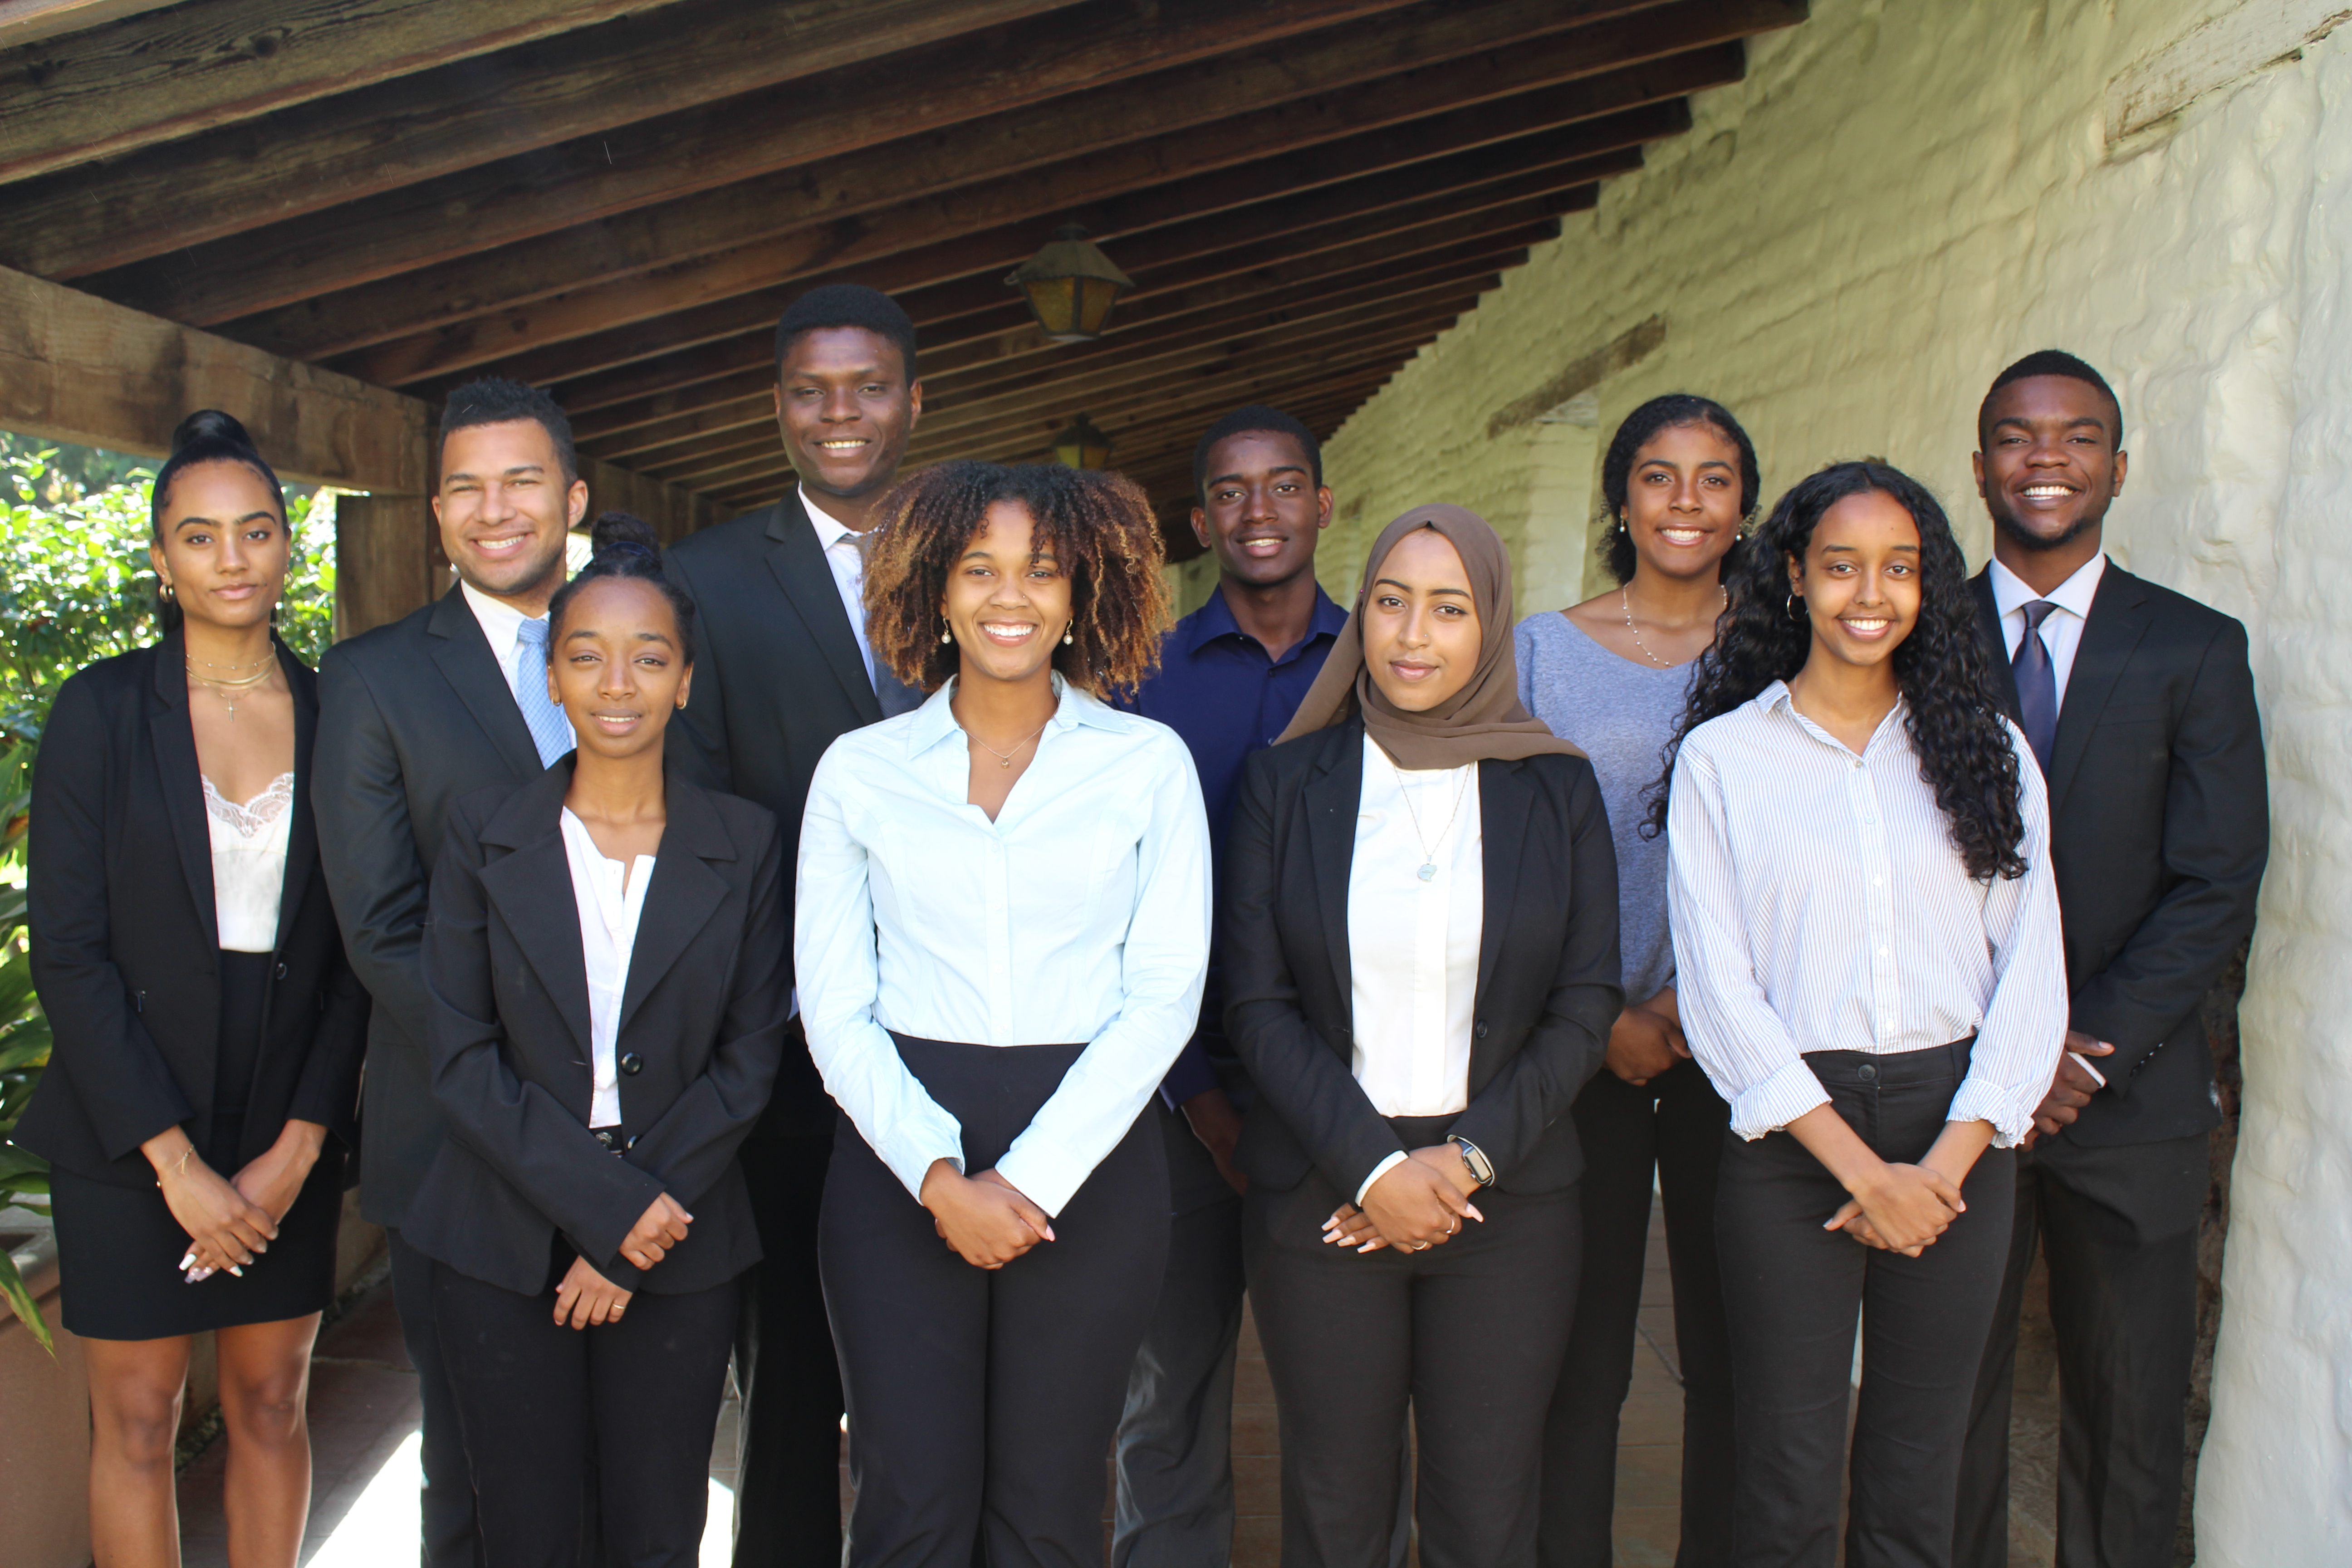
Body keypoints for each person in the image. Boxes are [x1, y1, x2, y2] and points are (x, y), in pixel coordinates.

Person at [795, 460, 1210, 1567]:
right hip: (895, 1158)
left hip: (1091, 1156)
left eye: (1041, 571)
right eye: (979, 569)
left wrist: (1023, 1182)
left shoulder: (1146, 766)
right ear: (937, 590)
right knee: (908, 1505)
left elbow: (1165, 996)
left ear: (1081, 596)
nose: (1009, 596)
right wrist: (940, 1177)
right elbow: (835, 1009)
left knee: (1050, 1506)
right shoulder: (860, 772)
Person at [1657, 461, 2067, 1568]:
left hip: (1957, 1139)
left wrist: (1948, 1159)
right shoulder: (1725, 760)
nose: (1869, 594)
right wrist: (1861, 1170)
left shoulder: (1986, 752)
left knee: (1917, 1463)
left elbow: (2032, 972)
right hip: (1795, 1138)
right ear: (1794, 576)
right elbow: (1719, 990)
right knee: (1784, 1467)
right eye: (1841, 567)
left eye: (1899, 568)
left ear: (1929, 586)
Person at [1225, 503, 1621, 1568]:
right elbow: (1255, 1005)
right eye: (1391, 603)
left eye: (1449, 609)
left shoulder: (1557, 788)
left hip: (1511, 1196)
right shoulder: (1284, 783)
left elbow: (1586, 1005)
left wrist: (1463, 1161)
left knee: (1486, 1514)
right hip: (1325, 1191)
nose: (1412, 635)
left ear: (1489, 624)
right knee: (1336, 1506)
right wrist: (1374, 1168)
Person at [406, 512, 788, 1568]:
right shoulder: (484, 834)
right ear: (553, 680)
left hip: (686, 1231)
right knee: (524, 1534)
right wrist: (610, 1211)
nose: (617, 682)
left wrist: (635, 1231)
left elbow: (750, 1056)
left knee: (659, 1531)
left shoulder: (746, 842)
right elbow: (461, 1058)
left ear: (685, 682)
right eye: (587, 656)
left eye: (647, 657)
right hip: (499, 1233)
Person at [21, 411, 369, 1568]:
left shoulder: (342, 716)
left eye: (257, 531)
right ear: (162, 559)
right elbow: (65, 949)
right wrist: (173, 1165)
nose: (232, 558)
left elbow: (362, 952)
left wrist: (300, 1148)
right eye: (201, 535)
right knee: (137, 1420)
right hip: (130, 1123)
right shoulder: (100, 711)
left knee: (272, 1404)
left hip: (285, 1116)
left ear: (288, 546)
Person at [1951, 353, 2268, 1568]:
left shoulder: (2194, 649)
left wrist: (2082, 1051)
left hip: (2121, 1098)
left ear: (2118, 468)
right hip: (1953, 1088)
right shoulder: (1917, 639)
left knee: (2129, 1421)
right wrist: (1994, 1050)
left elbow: (2216, 877)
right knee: (1946, 1408)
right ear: (1979, 468)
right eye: (2018, 440)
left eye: (2077, 438)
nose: (2046, 460)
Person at [661, 284, 926, 1564]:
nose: (842, 414)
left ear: (913, 399)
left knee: (933, 1380)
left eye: (867, 385)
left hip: (960, 1039)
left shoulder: (980, 562)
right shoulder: (707, 581)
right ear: (777, 408)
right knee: (787, 1385)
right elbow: (704, 826)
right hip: (787, 1058)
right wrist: (785, 1015)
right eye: (813, 391)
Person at [314, 377, 590, 1568]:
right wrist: (534, 1099)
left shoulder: (648, 645)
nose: (496, 509)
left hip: (646, 1138)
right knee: (474, 1472)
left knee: (629, 1454)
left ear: (574, 497)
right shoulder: (374, 680)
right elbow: (381, 925)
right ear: (434, 511)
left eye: (522, 479)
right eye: (467, 486)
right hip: (459, 1138)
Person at [1110, 404, 1350, 1567]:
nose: (1261, 511)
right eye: (1234, 492)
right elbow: (1117, 899)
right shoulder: (1141, 680)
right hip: (1168, 1089)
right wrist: (1198, 1096)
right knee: (1169, 1383)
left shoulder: (1385, 664)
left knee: (1345, 1400)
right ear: (1200, 519)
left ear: (1323, 502)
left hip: (1345, 1094)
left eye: (1285, 485)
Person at [1518, 394, 1754, 1568]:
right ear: (1622, 498)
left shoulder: (1781, 650)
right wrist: (1599, 1011)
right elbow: (1508, 851)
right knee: (1584, 1349)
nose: (1687, 502)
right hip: (1585, 1042)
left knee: (1729, 1350)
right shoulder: (1542, 653)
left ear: (1744, 507)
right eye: (1661, 477)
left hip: (1734, 1044)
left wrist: (1690, 1008)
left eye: (1714, 479)